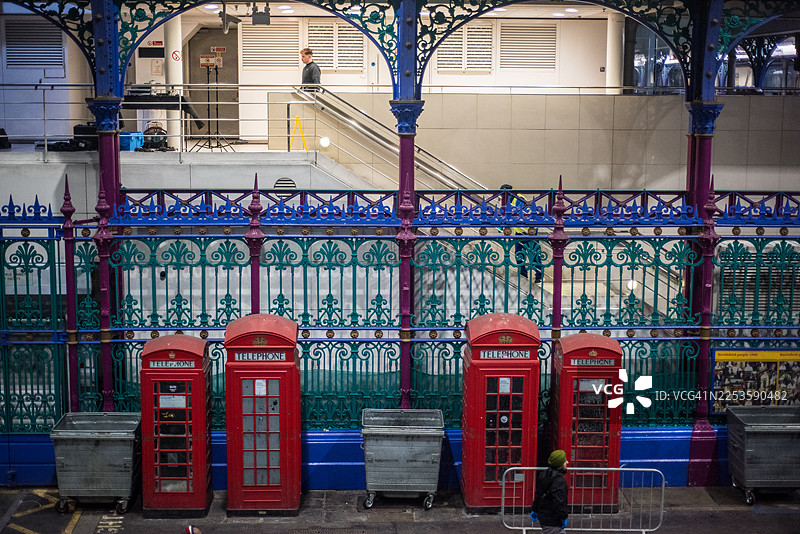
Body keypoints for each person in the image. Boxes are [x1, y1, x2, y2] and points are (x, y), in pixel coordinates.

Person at [530, 449, 569, 534]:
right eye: (564, 460)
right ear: (560, 464)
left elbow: (538, 494)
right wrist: (563, 517)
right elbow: (560, 502)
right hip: (553, 519)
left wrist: (534, 509)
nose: (567, 462)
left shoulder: (544, 474)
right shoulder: (559, 481)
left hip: (544, 516)